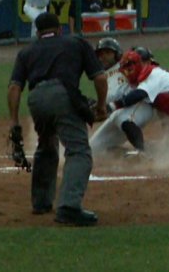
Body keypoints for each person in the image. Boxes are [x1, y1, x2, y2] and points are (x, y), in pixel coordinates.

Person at [7, 12, 108, 225]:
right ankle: (69, 206)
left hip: (36, 100)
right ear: (60, 29)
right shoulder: (76, 42)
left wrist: (14, 122)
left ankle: (41, 202)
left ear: (37, 32)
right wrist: (100, 106)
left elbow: (15, 88)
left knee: (46, 145)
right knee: (79, 151)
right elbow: (99, 77)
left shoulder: (27, 51)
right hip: (63, 95)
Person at [89, 40, 154, 156]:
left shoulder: (125, 65)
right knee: (92, 149)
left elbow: (144, 60)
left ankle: (142, 152)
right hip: (117, 112)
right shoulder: (101, 76)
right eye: (100, 54)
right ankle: (134, 154)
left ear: (117, 53)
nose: (103, 57)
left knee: (121, 116)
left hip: (140, 105)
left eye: (107, 53)